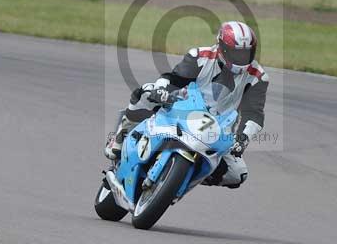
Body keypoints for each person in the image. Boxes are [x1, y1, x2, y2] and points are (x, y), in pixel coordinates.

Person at [104, 21, 269, 189]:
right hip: (181, 108)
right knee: (147, 91)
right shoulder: (200, 56)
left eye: (245, 53)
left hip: (217, 129)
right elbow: (173, 79)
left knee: (237, 173)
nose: (241, 58)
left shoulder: (258, 77)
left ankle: (184, 177)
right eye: (235, 53)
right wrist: (161, 90)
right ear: (222, 48)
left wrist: (242, 139)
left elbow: (254, 114)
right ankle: (120, 137)